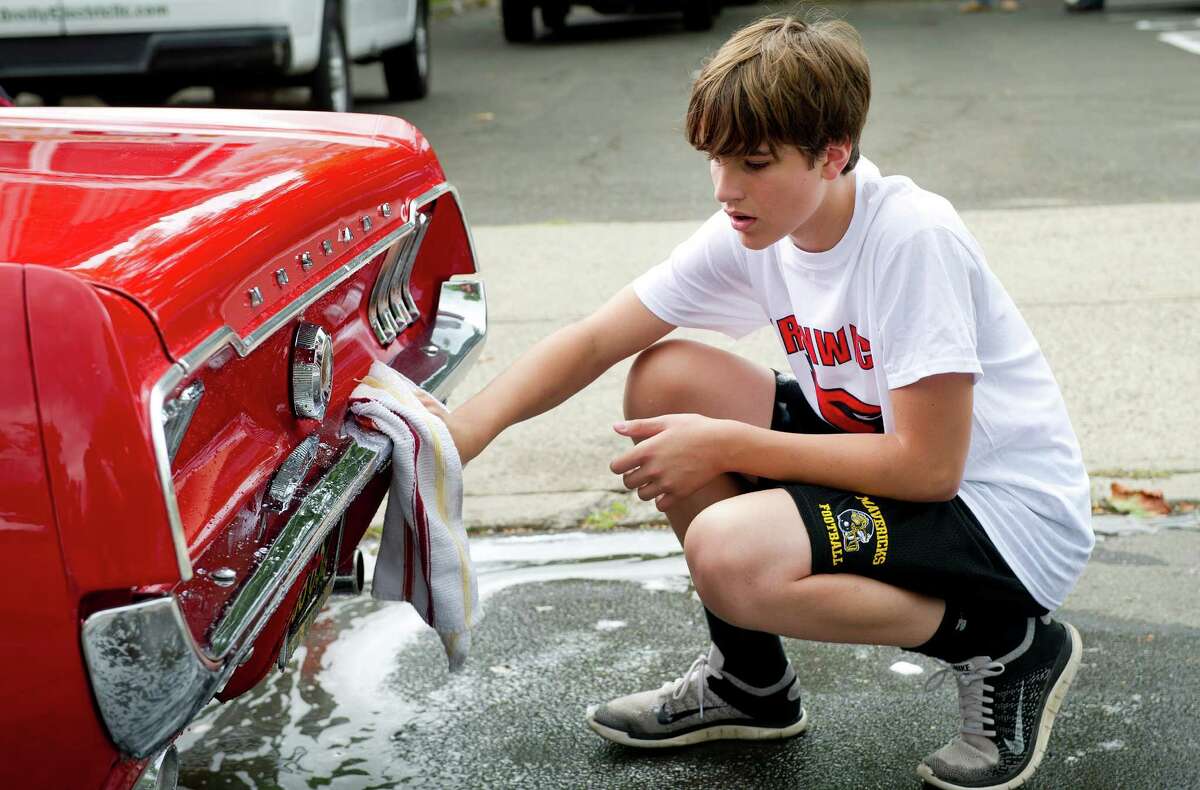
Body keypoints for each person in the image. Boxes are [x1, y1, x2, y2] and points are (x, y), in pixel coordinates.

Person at [417, 13, 1093, 790]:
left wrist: (725, 447)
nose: (726, 188)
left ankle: (1005, 644)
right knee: (664, 375)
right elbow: (599, 336)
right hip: (891, 457)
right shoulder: (760, 224)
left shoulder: (911, 239)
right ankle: (750, 685)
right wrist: (467, 430)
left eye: (754, 162)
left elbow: (930, 467)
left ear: (833, 154)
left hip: (1002, 518)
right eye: (715, 159)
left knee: (730, 553)